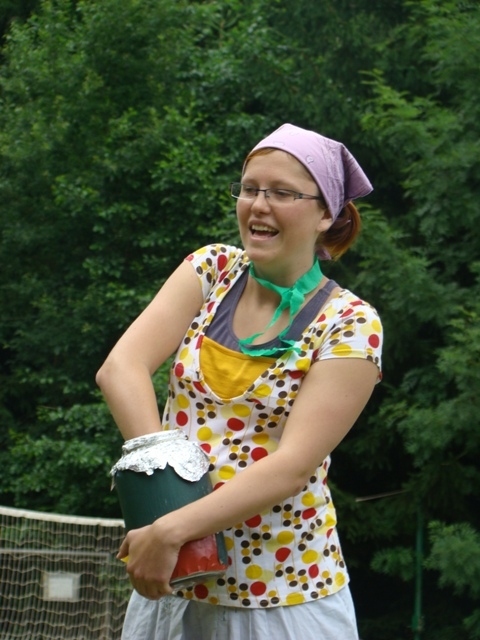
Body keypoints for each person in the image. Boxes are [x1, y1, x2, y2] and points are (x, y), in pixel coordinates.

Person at [96, 122, 383, 640]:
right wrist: (165, 505)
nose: (258, 205)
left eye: (282, 193)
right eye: (250, 188)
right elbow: (121, 368)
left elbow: (292, 467)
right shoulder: (211, 270)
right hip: (176, 587)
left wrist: (171, 528)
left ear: (326, 214)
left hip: (282, 597)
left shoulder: (350, 324)